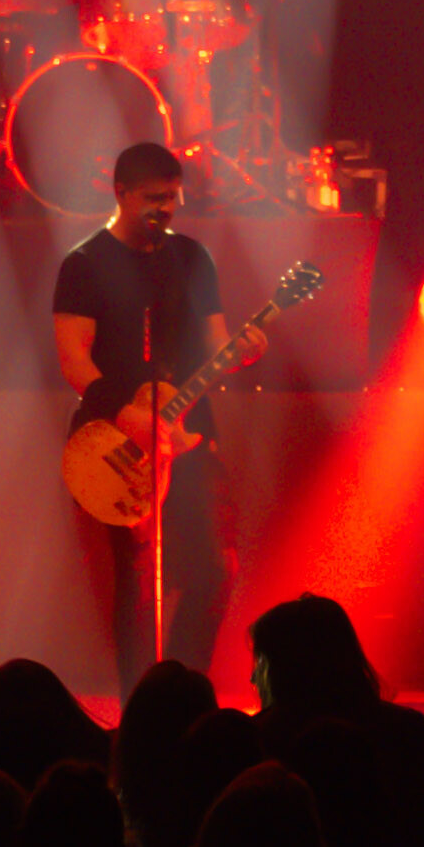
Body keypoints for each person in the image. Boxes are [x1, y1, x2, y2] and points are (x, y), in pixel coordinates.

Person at [53, 139, 251, 693]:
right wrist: (127, 413)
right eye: (153, 198)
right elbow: (74, 361)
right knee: (140, 578)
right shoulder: (84, 264)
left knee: (218, 568)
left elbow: (216, 345)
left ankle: (182, 688)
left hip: (188, 431)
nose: (167, 208)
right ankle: (141, 701)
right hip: (117, 438)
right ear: (120, 193)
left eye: (173, 197)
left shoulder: (191, 258)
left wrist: (243, 350)